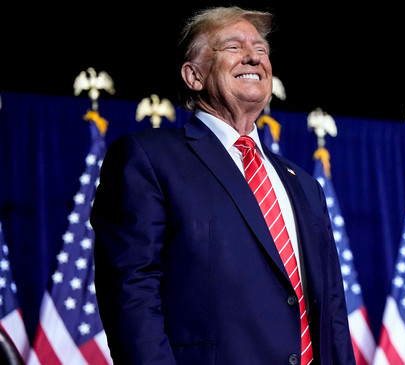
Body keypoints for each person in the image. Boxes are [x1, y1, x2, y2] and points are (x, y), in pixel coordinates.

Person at [90, 6, 355, 365]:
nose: (253, 56)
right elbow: (131, 294)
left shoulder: (305, 185)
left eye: (261, 50)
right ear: (194, 75)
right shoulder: (148, 159)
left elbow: (332, 313)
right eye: (233, 46)